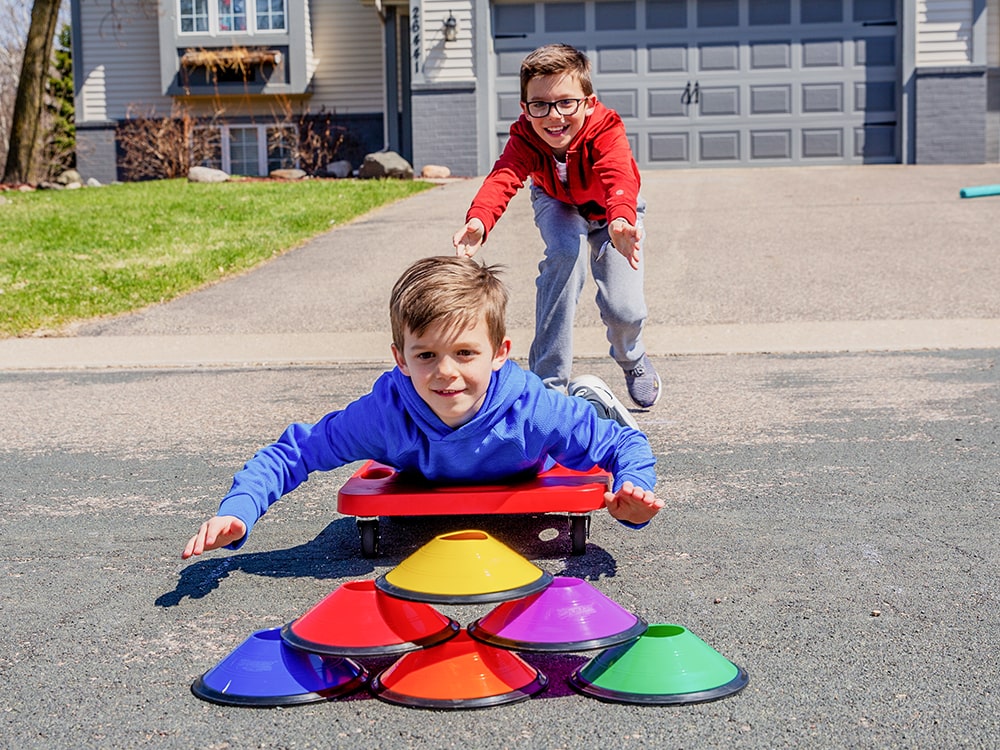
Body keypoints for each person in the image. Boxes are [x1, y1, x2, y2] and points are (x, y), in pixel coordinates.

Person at [182, 256, 663, 558]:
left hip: (539, 446)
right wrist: (239, 510)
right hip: (437, 454)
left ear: (500, 353)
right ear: (400, 359)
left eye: (465, 353)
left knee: (581, 421)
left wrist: (634, 494)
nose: (446, 372)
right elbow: (296, 452)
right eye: (426, 355)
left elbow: (625, 443)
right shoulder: (384, 414)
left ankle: (587, 397)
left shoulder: (535, 412)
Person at [452, 43, 661, 411]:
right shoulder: (526, 136)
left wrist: (621, 217)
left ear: (589, 103)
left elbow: (618, 174)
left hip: (614, 214)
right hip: (557, 203)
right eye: (540, 105)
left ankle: (631, 357)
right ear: (525, 108)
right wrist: (480, 219)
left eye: (567, 102)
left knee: (624, 309)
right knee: (565, 254)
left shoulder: (606, 127)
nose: (554, 116)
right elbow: (504, 176)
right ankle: (548, 385)